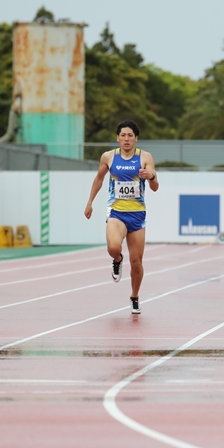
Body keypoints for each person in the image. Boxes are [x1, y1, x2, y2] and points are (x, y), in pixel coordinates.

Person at [84, 120, 159, 315]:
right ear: (118, 138)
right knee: (114, 247)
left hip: (137, 214)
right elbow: (99, 179)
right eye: (123, 135)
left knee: (136, 262)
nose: (126, 139)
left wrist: (149, 177)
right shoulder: (108, 157)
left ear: (136, 138)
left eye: (130, 135)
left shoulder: (145, 157)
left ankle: (134, 296)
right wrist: (90, 202)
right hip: (116, 211)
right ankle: (117, 259)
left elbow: (155, 186)